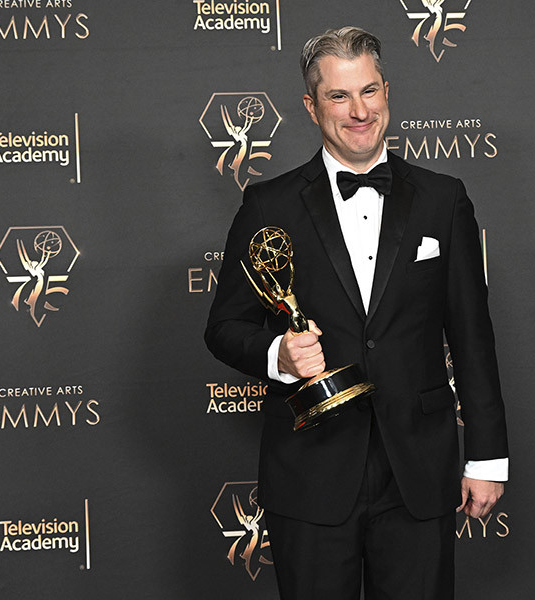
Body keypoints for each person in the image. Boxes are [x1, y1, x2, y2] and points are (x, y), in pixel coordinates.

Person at [205, 26, 508, 600]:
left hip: (418, 472)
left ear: (387, 91)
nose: (359, 110)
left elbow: (472, 337)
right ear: (310, 105)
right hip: (311, 474)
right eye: (339, 96)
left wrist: (488, 457)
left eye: (369, 91)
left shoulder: (444, 199)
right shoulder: (269, 204)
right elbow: (223, 327)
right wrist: (278, 354)